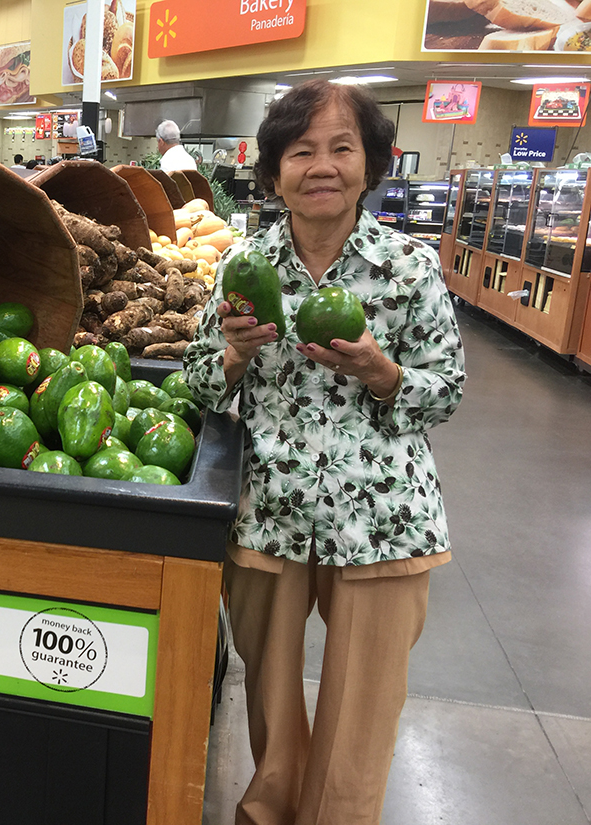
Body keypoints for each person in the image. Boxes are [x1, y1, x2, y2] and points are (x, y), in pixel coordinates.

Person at [183, 79, 465, 825]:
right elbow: (197, 381)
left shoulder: (408, 267)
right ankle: (269, 809)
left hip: (383, 519)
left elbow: (446, 391)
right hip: (270, 507)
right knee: (269, 690)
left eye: (343, 148)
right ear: (274, 171)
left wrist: (384, 373)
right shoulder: (244, 266)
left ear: (371, 165)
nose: (323, 166)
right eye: (302, 150)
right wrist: (235, 357)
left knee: (363, 703)